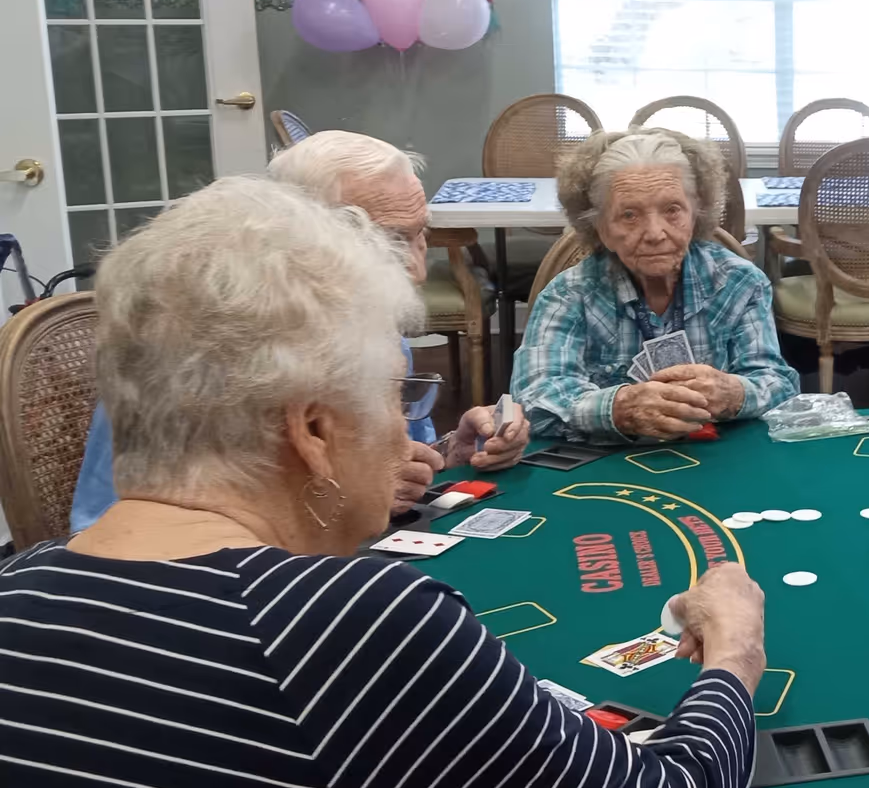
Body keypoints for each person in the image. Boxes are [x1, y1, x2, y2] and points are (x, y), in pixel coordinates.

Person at [0, 177, 766, 788]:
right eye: (398, 397)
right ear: (314, 433)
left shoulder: (19, 583)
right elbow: (672, 782)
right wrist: (732, 652)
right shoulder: (359, 623)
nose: (408, 434)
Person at [69, 131, 530, 527]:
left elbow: (400, 459)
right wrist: (351, 496)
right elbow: (111, 530)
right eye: (389, 242)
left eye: (421, 234)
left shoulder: (372, 332)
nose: (416, 272)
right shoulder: (191, 348)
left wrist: (452, 451)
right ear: (301, 235)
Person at [514, 127, 799, 444]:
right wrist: (620, 408)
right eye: (630, 214)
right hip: (610, 466)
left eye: (672, 210)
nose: (655, 233)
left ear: (695, 215)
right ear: (600, 228)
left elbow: (778, 383)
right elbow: (533, 396)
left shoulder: (739, 282)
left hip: (713, 458)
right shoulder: (569, 296)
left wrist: (733, 392)